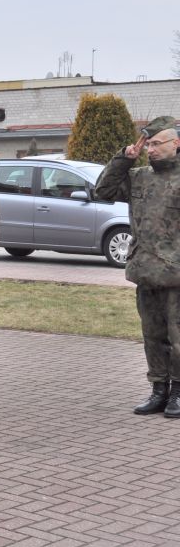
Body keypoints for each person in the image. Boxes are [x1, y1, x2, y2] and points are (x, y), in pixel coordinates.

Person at [96, 116, 180, 417]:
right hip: (146, 270)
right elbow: (103, 191)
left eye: (157, 143)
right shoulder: (139, 177)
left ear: (176, 143)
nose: (151, 150)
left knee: (178, 337)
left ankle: (178, 393)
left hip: (176, 274)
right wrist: (123, 159)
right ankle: (158, 390)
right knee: (152, 335)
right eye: (149, 144)